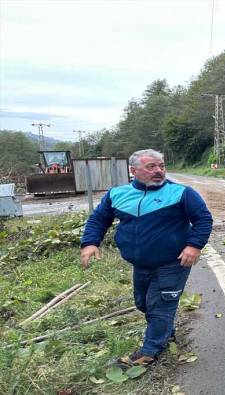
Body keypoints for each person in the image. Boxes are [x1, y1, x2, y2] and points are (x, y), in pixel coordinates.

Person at [79, 149, 213, 366]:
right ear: (133, 171)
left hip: (173, 262)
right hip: (140, 264)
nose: (158, 171)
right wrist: (90, 242)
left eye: (161, 166)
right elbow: (98, 219)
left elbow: (203, 219)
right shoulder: (117, 194)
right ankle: (165, 331)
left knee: (160, 305)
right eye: (151, 167)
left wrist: (194, 246)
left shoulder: (181, 193)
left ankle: (149, 352)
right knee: (143, 304)